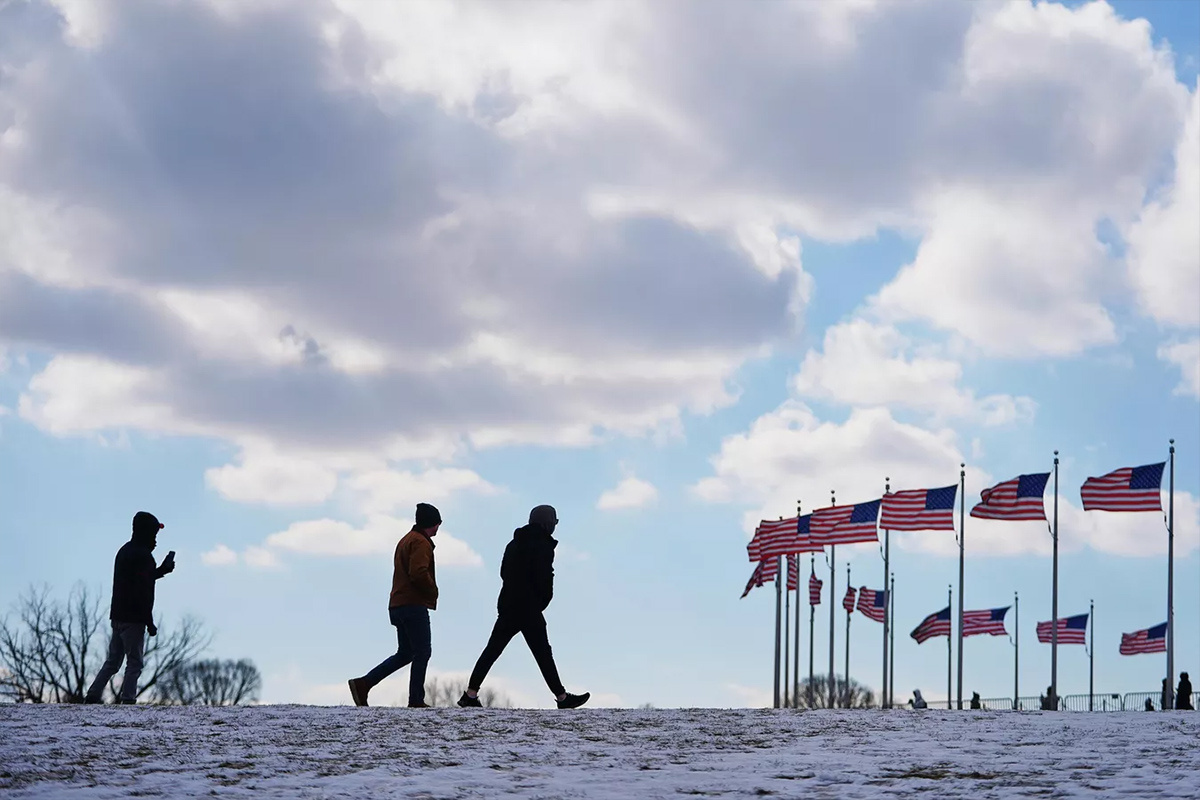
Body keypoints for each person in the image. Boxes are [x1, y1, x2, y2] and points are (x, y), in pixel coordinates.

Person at [458, 505, 589, 709]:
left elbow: (504, 573)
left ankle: (470, 694)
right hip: (529, 609)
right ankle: (562, 698)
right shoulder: (543, 545)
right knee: (543, 653)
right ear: (548, 523)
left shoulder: (514, 543)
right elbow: (544, 577)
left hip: (509, 605)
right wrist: (541, 601)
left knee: (492, 650)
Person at [348, 503, 441, 708]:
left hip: (397, 605)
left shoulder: (405, 540)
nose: (438, 529)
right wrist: (433, 590)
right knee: (422, 652)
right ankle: (416, 699)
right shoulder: (420, 543)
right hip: (413, 605)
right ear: (430, 523)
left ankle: (364, 684)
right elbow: (418, 573)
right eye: (437, 524)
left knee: (406, 653)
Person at [84, 512, 175, 704]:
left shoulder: (124, 551)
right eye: (153, 534)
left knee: (112, 662)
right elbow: (144, 590)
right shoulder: (144, 556)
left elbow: (140, 579)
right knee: (134, 663)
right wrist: (149, 622)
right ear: (146, 533)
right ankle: (128, 700)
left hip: (117, 615)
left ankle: (92, 695)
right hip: (134, 619)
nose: (155, 540)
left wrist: (161, 571)